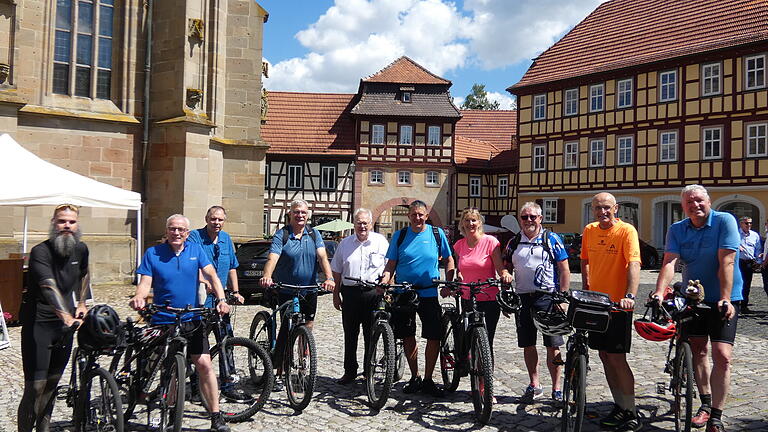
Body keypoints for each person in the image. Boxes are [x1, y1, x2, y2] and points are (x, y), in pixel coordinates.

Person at [130, 214, 231, 432]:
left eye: (181, 230)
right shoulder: (153, 253)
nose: (177, 233)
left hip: (191, 318)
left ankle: (215, 415)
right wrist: (140, 297)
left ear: (187, 233)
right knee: (168, 369)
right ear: (166, 231)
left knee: (204, 364)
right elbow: (145, 282)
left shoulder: (195, 251)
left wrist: (221, 299)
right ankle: (167, 411)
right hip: (163, 320)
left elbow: (212, 274)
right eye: (172, 229)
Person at [653, 185, 741, 432]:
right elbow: (670, 261)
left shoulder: (725, 221)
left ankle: (717, 415)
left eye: (699, 200)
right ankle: (705, 403)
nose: (695, 205)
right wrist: (660, 291)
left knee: (722, 355)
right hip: (693, 299)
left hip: (724, 298)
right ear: (683, 207)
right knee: (699, 351)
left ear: (709, 201)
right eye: (689, 203)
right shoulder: (677, 229)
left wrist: (725, 298)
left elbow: (727, 260)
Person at [18, 204, 90, 432]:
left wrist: (81, 303)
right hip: (38, 324)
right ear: (53, 223)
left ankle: (44, 429)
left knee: (52, 384)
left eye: (71, 222)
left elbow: (85, 274)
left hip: (64, 326)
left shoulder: (81, 249)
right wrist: (66, 317)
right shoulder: (40, 251)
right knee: (35, 386)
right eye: (61, 221)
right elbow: (48, 287)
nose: (66, 226)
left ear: (77, 224)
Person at [380, 200, 455, 397]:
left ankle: (429, 379)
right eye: (414, 214)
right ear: (409, 216)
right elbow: (391, 265)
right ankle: (415, 377)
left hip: (429, 292)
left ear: (426, 215)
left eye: (421, 214)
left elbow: (448, 260)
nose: (417, 218)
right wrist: (385, 280)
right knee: (407, 334)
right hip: (404, 293)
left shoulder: (437, 235)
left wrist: (449, 281)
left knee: (434, 335)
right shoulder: (400, 235)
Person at [580, 192, 641, 432]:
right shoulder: (589, 230)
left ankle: (631, 411)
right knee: (604, 356)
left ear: (615, 208)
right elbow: (584, 259)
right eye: (597, 208)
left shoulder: (627, 231)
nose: (602, 212)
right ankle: (619, 404)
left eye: (606, 207)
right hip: (596, 304)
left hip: (617, 305)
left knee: (617, 358)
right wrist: (586, 286)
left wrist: (630, 296)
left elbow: (634, 263)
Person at [260, 199, 335, 389]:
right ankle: (279, 372)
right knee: (286, 329)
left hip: (309, 289)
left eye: (303, 212)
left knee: (307, 327)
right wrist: (267, 275)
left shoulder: (313, 233)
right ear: (290, 214)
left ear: (308, 214)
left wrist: (329, 278)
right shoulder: (282, 235)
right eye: (296, 212)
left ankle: (303, 364)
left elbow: (322, 256)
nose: (300, 215)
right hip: (286, 289)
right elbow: (272, 258)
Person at [502, 202, 570, 403]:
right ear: (520, 220)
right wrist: (506, 285)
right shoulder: (514, 241)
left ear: (540, 218)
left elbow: (565, 269)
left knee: (553, 345)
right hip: (523, 298)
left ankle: (557, 387)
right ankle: (535, 384)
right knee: (528, 344)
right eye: (525, 217)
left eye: (533, 217)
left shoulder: (551, 239)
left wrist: (563, 297)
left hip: (548, 298)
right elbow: (506, 267)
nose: (529, 220)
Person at [187, 206, 244, 399]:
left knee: (226, 342)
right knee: (198, 344)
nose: (216, 223)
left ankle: (228, 384)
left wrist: (235, 292)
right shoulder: (195, 237)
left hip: (221, 301)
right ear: (206, 219)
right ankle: (195, 386)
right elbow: (191, 265)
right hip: (201, 300)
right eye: (213, 219)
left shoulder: (227, 239)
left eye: (220, 220)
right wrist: (205, 282)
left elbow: (232, 267)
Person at [330, 208, 389, 384]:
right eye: (359, 223)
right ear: (354, 224)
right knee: (350, 333)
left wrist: (387, 288)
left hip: (373, 293)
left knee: (370, 334)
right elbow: (337, 271)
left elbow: (389, 267)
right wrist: (335, 294)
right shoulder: (345, 244)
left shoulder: (381, 242)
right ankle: (349, 371)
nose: (362, 226)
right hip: (350, 293)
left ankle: (367, 370)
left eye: (365, 223)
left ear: (371, 224)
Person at [453, 207, 512, 353]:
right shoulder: (459, 245)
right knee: (468, 337)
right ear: (462, 223)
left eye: (474, 220)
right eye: (467, 220)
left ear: (479, 222)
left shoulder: (490, 242)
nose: (470, 223)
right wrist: (458, 278)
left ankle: (485, 374)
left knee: (486, 341)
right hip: (468, 296)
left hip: (489, 296)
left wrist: (505, 274)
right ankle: (467, 364)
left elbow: (499, 267)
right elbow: (459, 268)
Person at [736, 216, 761, 314]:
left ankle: (744, 306)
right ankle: (735, 304)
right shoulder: (735, 234)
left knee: (747, 285)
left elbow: (758, 249)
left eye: (750, 223)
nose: (749, 225)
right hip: (738, 262)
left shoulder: (754, 235)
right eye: (746, 223)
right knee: (737, 284)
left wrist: (758, 260)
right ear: (741, 224)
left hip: (749, 263)